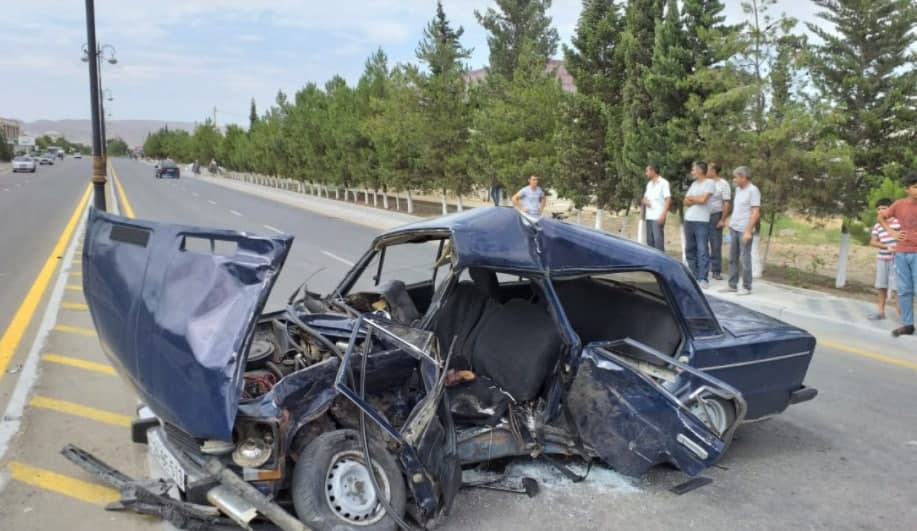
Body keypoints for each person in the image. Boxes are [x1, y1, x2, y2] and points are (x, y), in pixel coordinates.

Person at [877, 172, 917, 337]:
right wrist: (892, 232)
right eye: (915, 187)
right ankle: (908, 325)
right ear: (907, 189)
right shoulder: (899, 205)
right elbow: (881, 217)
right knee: (904, 290)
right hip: (901, 253)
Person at [721, 166, 760, 295]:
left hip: (744, 230)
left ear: (743, 177)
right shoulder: (738, 189)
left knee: (745, 259)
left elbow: (755, 213)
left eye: (736, 177)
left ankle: (747, 287)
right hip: (734, 228)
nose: (734, 180)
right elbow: (738, 208)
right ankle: (732, 285)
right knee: (732, 258)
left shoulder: (753, 191)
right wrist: (729, 218)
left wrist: (748, 231)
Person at [683, 161, 716, 288]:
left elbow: (703, 200)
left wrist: (692, 198)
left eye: (693, 169)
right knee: (689, 249)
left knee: (702, 250)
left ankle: (703, 278)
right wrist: (695, 199)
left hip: (702, 221)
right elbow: (685, 202)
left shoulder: (710, 183)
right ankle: (694, 275)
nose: (692, 172)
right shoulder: (694, 184)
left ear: (700, 170)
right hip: (689, 220)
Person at [868, 198, 901, 321]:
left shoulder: (899, 223)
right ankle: (881, 313)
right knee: (881, 286)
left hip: (898, 260)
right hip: (882, 259)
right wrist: (886, 246)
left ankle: (902, 317)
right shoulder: (877, 226)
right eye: (879, 209)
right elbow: (873, 242)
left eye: (884, 208)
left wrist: (898, 248)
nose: (881, 211)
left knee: (898, 289)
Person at [707, 162, 731, 280]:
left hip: (716, 216)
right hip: (702, 216)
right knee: (701, 243)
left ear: (714, 171)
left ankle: (716, 270)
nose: (706, 170)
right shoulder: (704, 182)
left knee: (715, 244)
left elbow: (726, 202)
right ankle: (703, 268)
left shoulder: (723, 184)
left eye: (708, 169)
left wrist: (722, 219)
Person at [641, 164, 671, 251]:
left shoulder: (664, 183)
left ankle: (661, 259)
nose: (646, 173)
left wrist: (663, 215)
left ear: (653, 171)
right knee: (650, 242)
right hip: (649, 217)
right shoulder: (649, 184)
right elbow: (644, 198)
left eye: (647, 171)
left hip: (658, 217)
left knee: (658, 241)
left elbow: (668, 199)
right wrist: (644, 201)